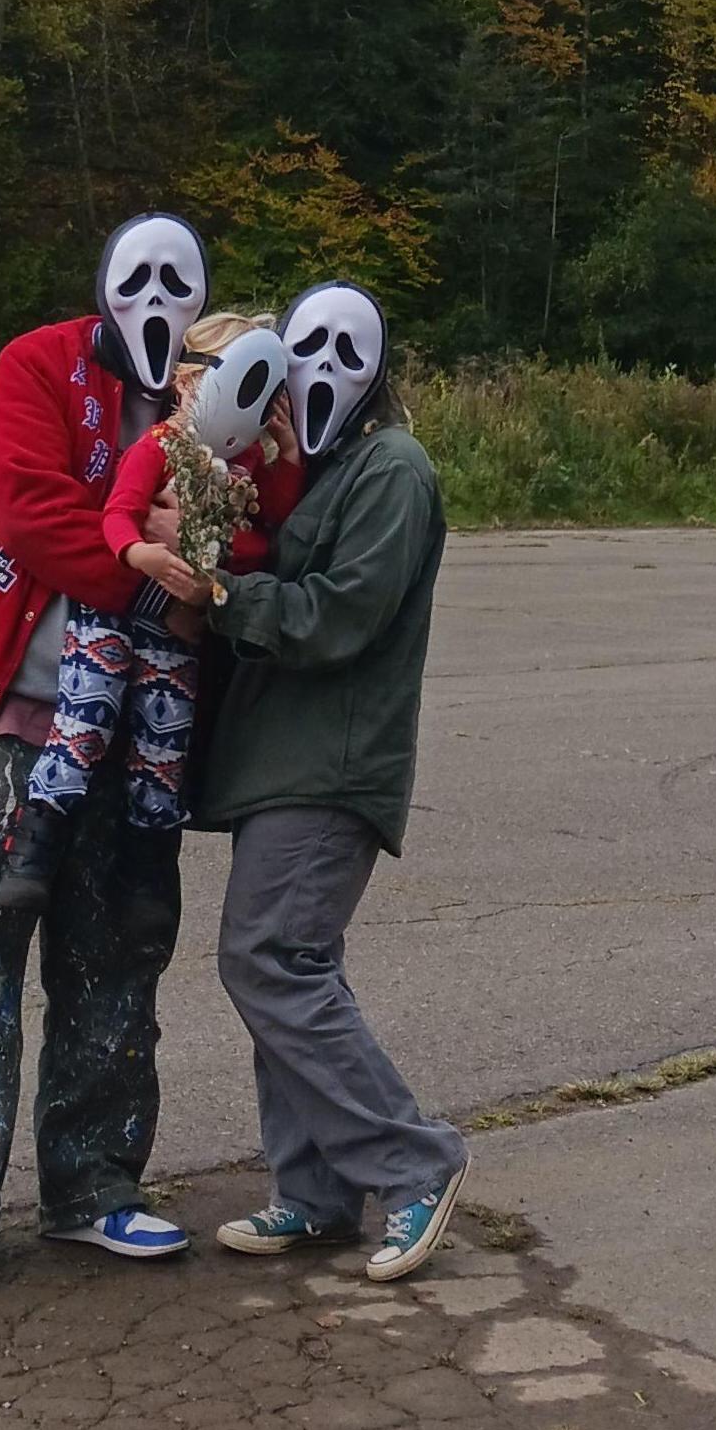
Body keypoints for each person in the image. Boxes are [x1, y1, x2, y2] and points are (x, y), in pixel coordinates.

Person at [0, 213, 215, 1292]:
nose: (161, 294)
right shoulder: (37, 364)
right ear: (106, 282)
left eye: (184, 277)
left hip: (136, 731)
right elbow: (26, 508)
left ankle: (94, 1184)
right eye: (142, 274)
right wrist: (150, 560)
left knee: (115, 954)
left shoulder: (205, 398)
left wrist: (202, 547)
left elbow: (243, 527)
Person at [187, 279, 469, 1283]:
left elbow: (339, 615)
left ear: (372, 367)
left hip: (333, 763)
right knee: (289, 964)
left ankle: (414, 1162)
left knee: (270, 957)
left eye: (332, 352)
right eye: (296, 353)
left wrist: (222, 593)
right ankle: (313, 1192)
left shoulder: (390, 469)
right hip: (285, 761)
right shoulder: (327, 466)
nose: (309, 373)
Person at [0, 315, 299, 919]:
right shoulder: (160, 447)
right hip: (112, 606)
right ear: (189, 382)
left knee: (166, 733)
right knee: (89, 714)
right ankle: (33, 843)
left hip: (171, 625)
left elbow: (271, 526)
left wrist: (285, 453)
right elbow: (118, 513)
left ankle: (147, 865)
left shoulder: (240, 473)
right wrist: (140, 552)